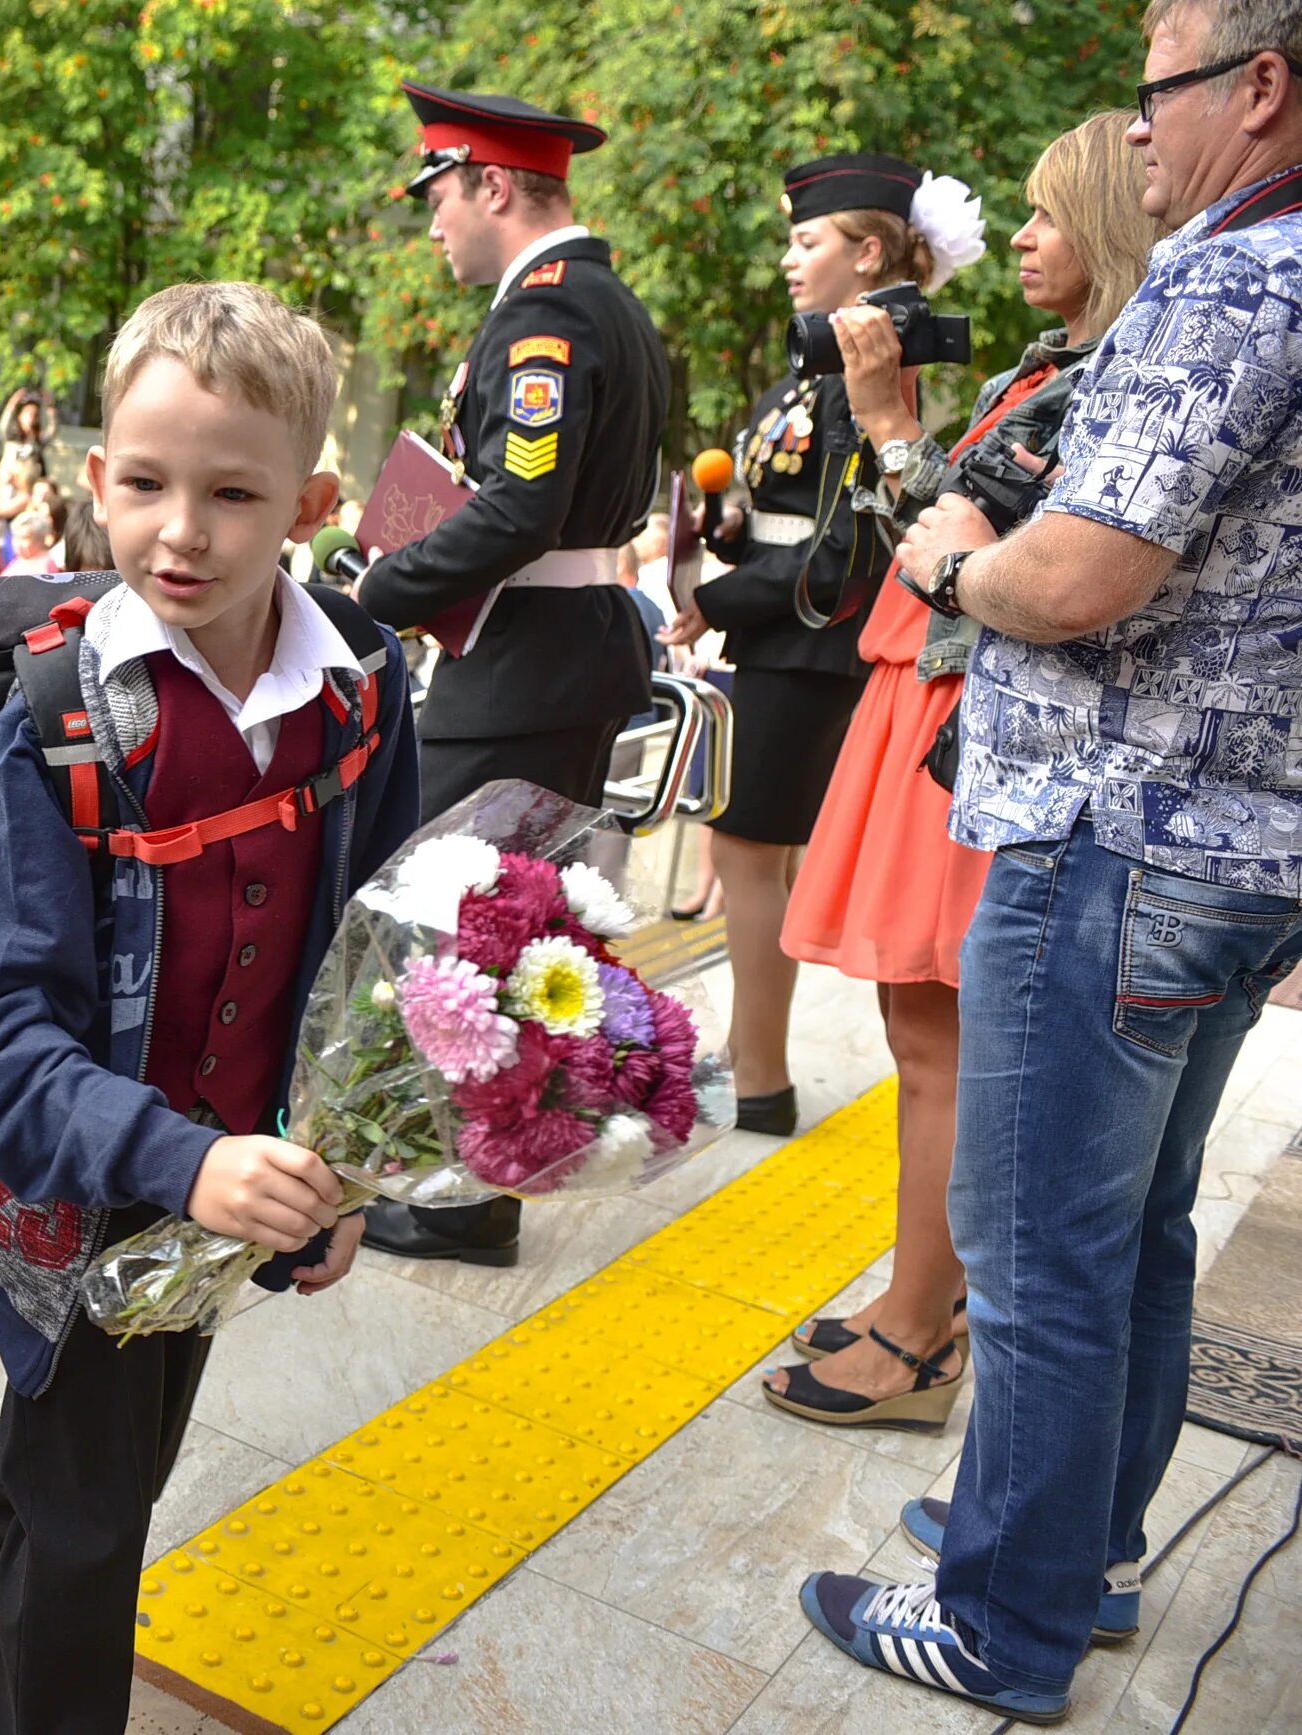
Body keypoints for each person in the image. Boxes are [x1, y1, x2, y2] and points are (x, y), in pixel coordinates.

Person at [799, 9, 1302, 1721]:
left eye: (1159, 83)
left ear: (1256, 87)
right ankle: (1074, 1555)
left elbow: (1073, 575)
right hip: (1228, 847)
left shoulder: (1230, 281)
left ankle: (999, 1623)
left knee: (1033, 1260)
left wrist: (949, 561)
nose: (1136, 129)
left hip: (1110, 839)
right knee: (1134, 1232)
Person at [0, 283, 415, 1727]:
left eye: (233, 492)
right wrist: (189, 1158)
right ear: (94, 477)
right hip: (73, 1177)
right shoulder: (47, 726)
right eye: (147, 484)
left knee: (99, 1459)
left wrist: (334, 1162)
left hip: (234, 1173)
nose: (182, 530)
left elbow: (370, 945)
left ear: (310, 499)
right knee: (93, 1519)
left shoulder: (358, 684)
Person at [766, 111, 1157, 1435]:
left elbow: (965, 547)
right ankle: (908, 1296)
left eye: (1049, 212)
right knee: (915, 1031)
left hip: (964, 712)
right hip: (924, 698)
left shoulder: (1099, 377)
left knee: (936, 1041)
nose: (1022, 236)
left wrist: (882, 418)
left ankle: (916, 1331)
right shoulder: (1055, 363)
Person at [353, 84, 667, 1266]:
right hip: (552, 650)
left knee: (453, 927)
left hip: (524, 661)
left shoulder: (546, 315)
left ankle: (456, 1193)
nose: (428, 220)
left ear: (491, 185)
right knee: (508, 924)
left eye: (437, 192)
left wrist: (370, 591)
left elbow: (520, 503)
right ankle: (472, 1178)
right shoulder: (597, 302)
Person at [666, 153, 981, 1137]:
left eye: (808, 241)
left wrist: (717, 597)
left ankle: (754, 1075)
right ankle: (746, 1060)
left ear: (870, 251)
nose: (789, 259)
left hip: (807, 643)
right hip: (784, 636)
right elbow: (792, 514)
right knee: (755, 849)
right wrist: (718, 528)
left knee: (746, 847)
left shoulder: (869, 360)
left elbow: (840, 558)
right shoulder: (829, 359)